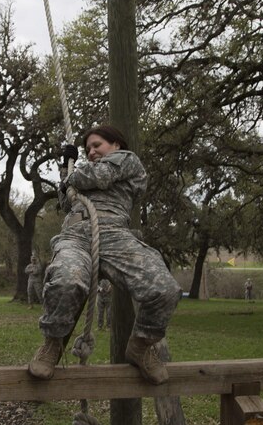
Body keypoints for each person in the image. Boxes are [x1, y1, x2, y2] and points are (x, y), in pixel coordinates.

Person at [28, 125, 181, 385]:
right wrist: (64, 170)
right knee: (67, 281)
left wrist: (73, 168)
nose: (91, 151)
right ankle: (52, 344)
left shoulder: (127, 160)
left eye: (97, 145)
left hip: (113, 234)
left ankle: (141, 345)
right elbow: (65, 203)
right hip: (76, 234)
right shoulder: (83, 171)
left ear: (116, 145)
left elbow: (97, 177)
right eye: (87, 149)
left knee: (164, 288)